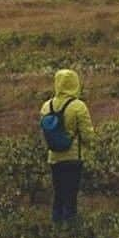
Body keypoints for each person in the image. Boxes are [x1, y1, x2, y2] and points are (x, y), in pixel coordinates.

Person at [41, 68, 95, 224]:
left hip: (54, 158)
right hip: (73, 158)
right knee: (71, 195)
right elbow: (87, 135)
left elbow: (44, 133)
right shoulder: (78, 106)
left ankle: (56, 227)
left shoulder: (46, 106)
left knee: (58, 194)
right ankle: (71, 230)